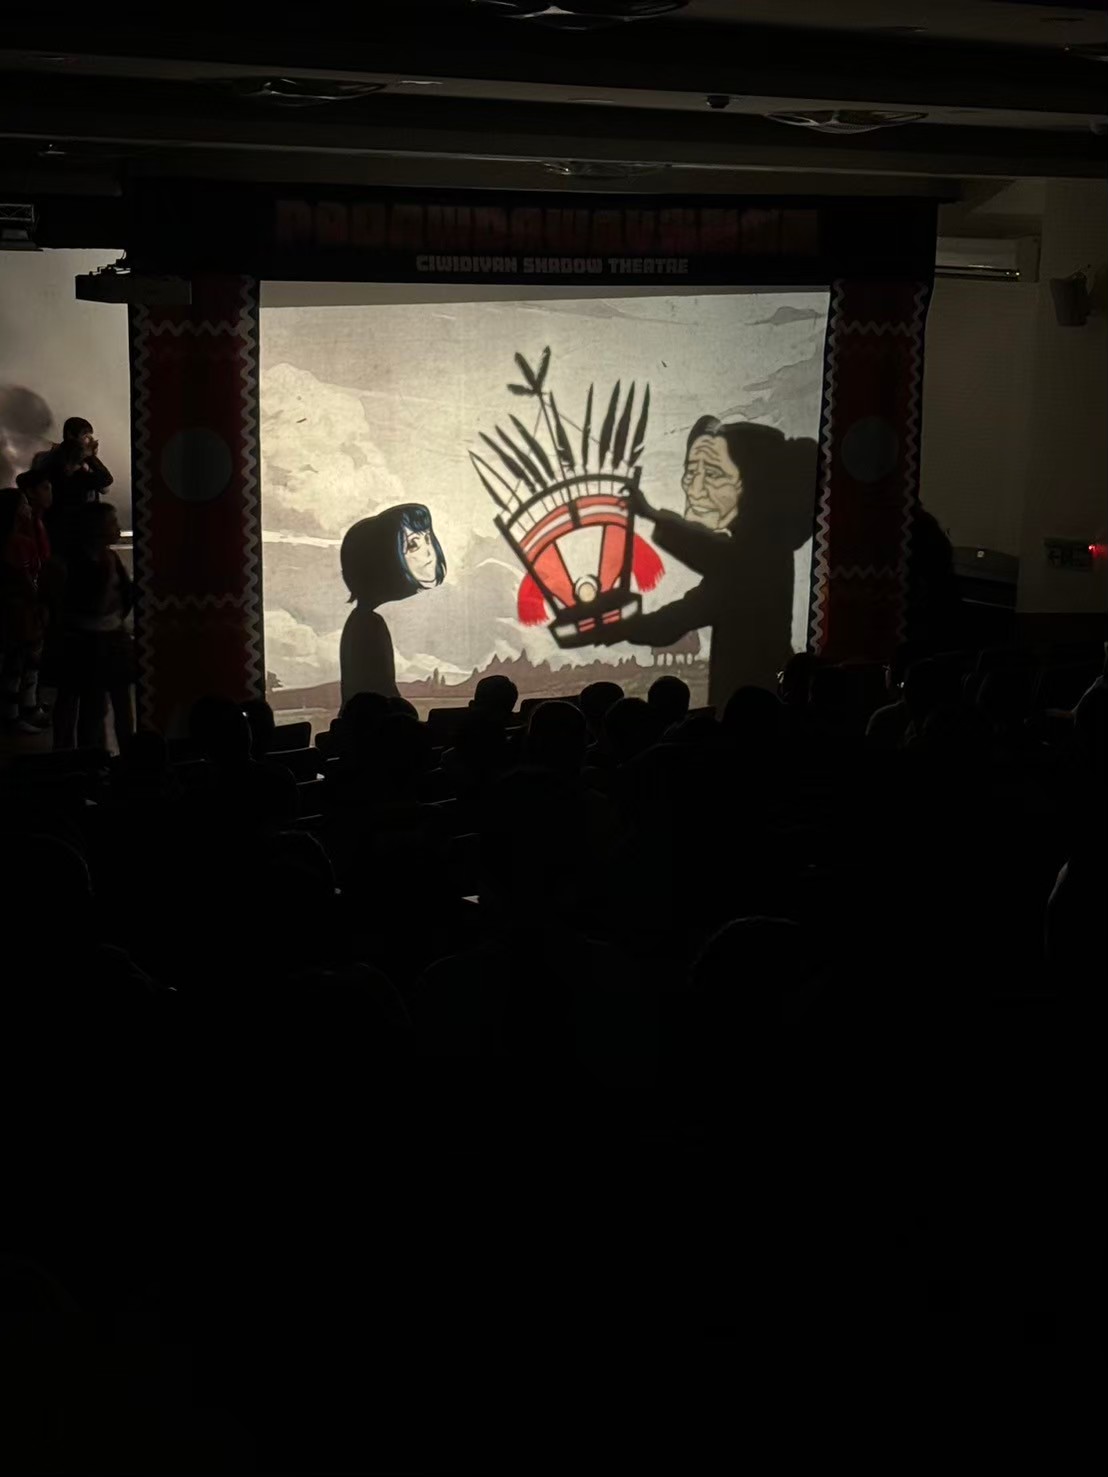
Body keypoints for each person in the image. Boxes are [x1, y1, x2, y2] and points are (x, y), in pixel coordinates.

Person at [592, 420, 817, 706]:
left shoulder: (751, 557)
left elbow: (680, 611)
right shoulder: (767, 551)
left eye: (716, 474)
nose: (698, 488)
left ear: (751, 486)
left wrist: (617, 627)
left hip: (744, 703)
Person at [339, 504, 445, 705]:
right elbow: (377, 699)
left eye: (428, 539)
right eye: (413, 545)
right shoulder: (368, 623)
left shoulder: (366, 619)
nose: (429, 553)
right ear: (385, 559)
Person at [52, 502, 134, 751]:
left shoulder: (91, 559)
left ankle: (85, 753)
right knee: (98, 705)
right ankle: (96, 754)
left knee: (96, 704)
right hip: (90, 641)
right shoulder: (86, 562)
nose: (118, 528)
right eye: (112, 522)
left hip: (96, 637)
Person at [0, 487, 50, 731]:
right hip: (22, 611)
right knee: (23, 662)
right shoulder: (18, 543)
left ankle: (20, 710)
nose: (28, 508)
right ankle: (18, 713)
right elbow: (26, 579)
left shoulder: (15, 539)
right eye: (24, 504)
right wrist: (40, 602)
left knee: (18, 662)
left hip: (14, 610)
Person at [32, 416, 113, 555]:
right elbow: (105, 479)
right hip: (64, 526)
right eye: (85, 435)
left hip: (81, 526)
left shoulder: (83, 460)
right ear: (70, 435)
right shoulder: (55, 459)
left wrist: (90, 457)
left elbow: (105, 486)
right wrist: (90, 456)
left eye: (90, 435)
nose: (90, 440)